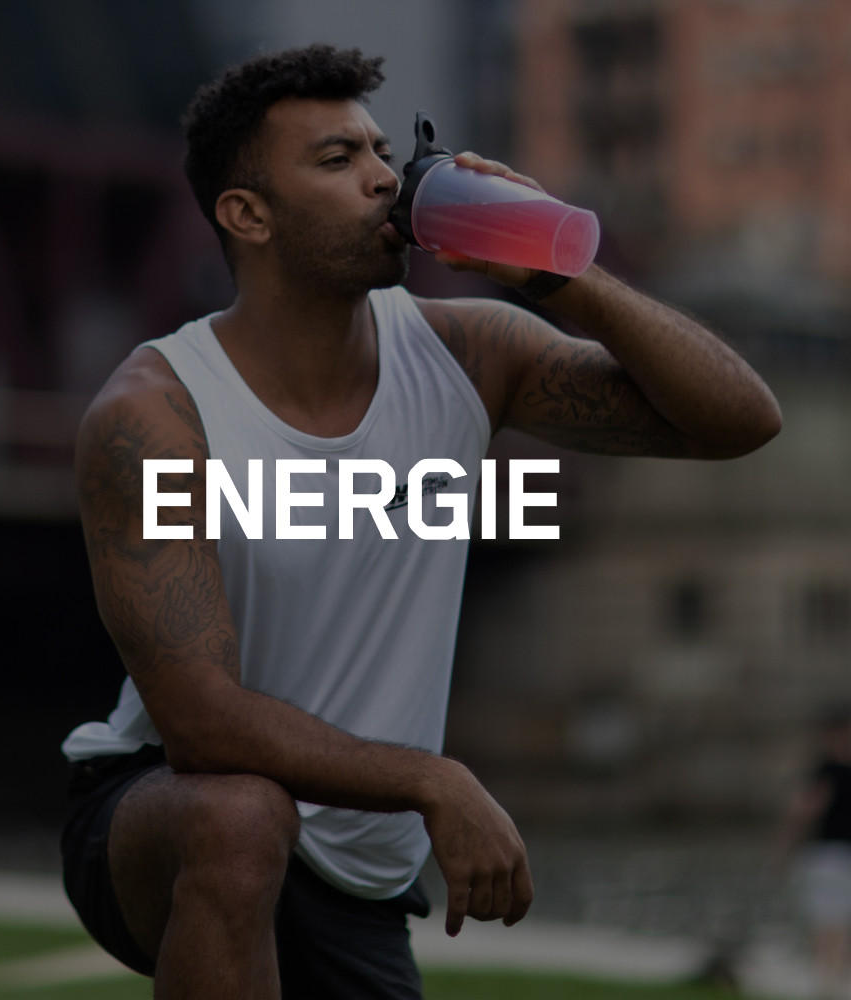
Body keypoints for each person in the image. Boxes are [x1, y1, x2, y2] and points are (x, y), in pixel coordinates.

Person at [59, 44, 782, 999]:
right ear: (247, 215)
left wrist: (560, 274)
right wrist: (436, 781)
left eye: (382, 153)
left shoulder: (468, 353)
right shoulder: (156, 414)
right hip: (170, 814)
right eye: (336, 160)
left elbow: (739, 421)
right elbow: (201, 725)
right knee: (240, 817)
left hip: (362, 869)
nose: (382, 180)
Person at [778, 705, 851, 1000]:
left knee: (833, 922)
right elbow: (806, 808)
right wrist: (787, 842)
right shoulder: (827, 770)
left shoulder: (826, 770)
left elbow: (803, 808)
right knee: (831, 921)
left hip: (834, 856)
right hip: (830, 856)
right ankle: (829, 981)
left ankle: (831, 981)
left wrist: (786, 842)